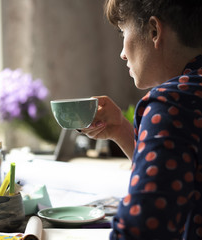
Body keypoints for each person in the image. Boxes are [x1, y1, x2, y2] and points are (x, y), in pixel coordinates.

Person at [79, 0, 202, 239]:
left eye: (123, 32)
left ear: (154, 31)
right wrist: (120, 131)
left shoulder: (172, 103)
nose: (122, 54)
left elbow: (142, 229)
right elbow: (180, 173)